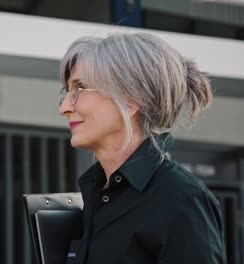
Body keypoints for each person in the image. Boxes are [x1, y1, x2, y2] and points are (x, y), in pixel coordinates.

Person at [58, 32, 227, 264]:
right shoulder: (96, 195)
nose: (65, 107)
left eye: (80, 89)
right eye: (66, 92)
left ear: (130, 100)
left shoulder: (182, 198)